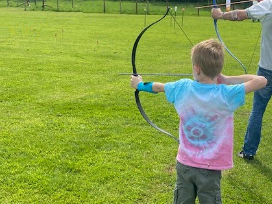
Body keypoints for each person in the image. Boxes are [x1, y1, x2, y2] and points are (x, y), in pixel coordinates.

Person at [130, 39, 267, 204]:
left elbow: (157, 87)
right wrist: (228, 79)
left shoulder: (183, 87)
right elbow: (261, 80)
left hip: (185, 163)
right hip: (211, 166)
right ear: (218, 70)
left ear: (196, 69)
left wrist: (139, 85)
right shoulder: (226, 94)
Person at [212, 0, 272, 161]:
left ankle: (249, 151)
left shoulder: (268, 5)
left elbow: (241, 15)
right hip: (267, 69)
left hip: (267, 70)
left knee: (258, 110)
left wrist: (221, 15)